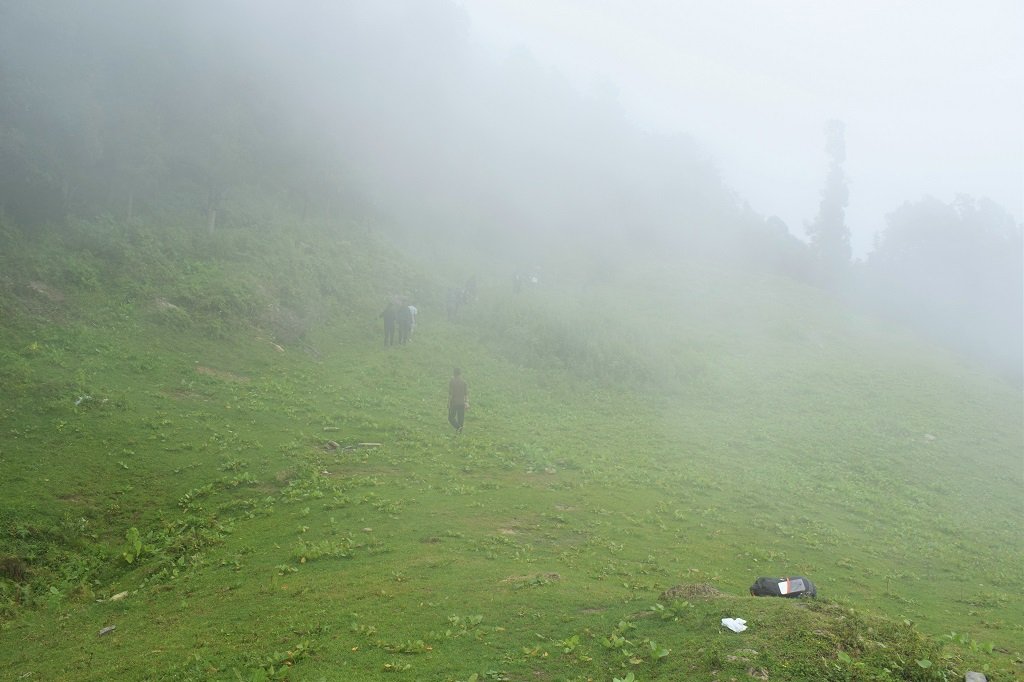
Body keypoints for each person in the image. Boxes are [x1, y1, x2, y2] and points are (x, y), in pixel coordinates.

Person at [448, 367, 468, 432]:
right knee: (461, 419)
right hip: (462, 403)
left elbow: (451, 393)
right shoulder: (464, 382)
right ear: (460, 373)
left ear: (454, 373)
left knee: (451, 418)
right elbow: (466, 394)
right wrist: (466, 402)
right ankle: (460, 432)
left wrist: (448, 402)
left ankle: (458, 427)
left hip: (454, 402)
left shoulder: (452, 381)